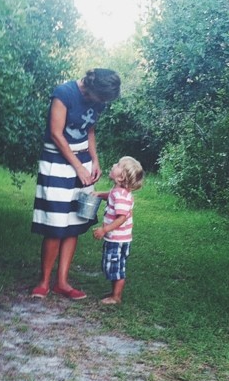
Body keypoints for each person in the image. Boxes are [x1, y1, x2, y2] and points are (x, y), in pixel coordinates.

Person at [31, 68, 121, 300]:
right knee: (55, 223)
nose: (102, 103)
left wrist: (94, 161)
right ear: (92, 88)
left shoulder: (98, 100)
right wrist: (78, 167)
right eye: (101, 98)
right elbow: (56, 134)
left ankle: (62, 282)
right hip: (57, 162)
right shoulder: (64, 93)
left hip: (83, 162)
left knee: (73, 222)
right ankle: (43, 283)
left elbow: (89, 130)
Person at [92, 156, 144, 305]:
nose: (114, 164)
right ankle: (114, 292)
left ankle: (116, 297)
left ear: (121, 176)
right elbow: (110, 196)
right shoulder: (118, 191)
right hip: (118, 239)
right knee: (114, 265)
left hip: (118, 239)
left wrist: (104, 229)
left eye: (118, 165)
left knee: (117, 267)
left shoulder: (121, 195)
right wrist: (99, 194)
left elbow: (121, 218)